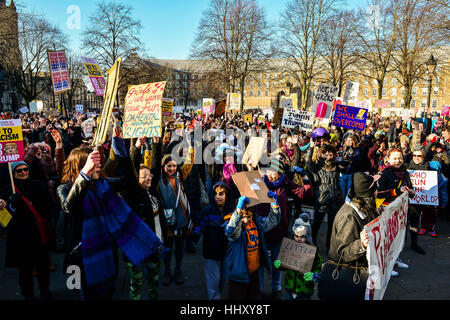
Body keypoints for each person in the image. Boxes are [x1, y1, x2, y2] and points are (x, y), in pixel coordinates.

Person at [57, 132, 164, 300]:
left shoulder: (103, 185)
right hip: (81, 261)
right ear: (81, 166)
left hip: (108, 256)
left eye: (98, 161)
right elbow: (69, 206)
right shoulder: (64, 189)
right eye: (94, 162)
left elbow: (129, 181)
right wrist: (85, 174)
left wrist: (120, 149)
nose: (99, 164)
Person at [0, 161, 54, 300]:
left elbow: (49, 204)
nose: (23, 172)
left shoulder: (37, 185)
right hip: (20, 235)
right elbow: (3, 219)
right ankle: (28, 294)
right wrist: (8, 205)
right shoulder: (7, 190)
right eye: (19, 171)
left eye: (25, 169)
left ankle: (45, 289)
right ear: (13, 174)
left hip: (38, 231)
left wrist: (49, 219)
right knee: (25, 268)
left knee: (42, 264)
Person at [323, 172, 380, 300]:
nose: (377, 194)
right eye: (375, 191)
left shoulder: (362, 208)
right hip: (348, 275)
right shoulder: (348, 216)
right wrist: (362, 244)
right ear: (368, 195)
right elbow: (344, 252)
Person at [224, 192, 280, 300]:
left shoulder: (256, 223)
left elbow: (273, 221)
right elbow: (230, 232)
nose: (246, 216)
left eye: (249, 213)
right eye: (243, 213)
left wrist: (274, 205)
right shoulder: (233, 224)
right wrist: (238, 211)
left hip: (254, 274)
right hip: (238, 276)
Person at [376, 148, 418, 275]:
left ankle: (395, 259)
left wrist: (411, 192)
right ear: (388, 159)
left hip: (402, 210)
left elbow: (411, 189)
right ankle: (387, 264)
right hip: (388, 209)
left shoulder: (404, 171)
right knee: (389, 237)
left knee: (400, 237)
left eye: (400, 158)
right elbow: (378, 194)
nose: (398, 160)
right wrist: (397, 190)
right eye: (394, 158)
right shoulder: (384, 173)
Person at [191, 182, 235, 300]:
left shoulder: (232, 211)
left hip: (227, 253)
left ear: (227, 195)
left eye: (221, 194)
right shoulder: (207, 211)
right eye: (215, 194)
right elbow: (200, 225)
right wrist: (194, 235)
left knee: (223, 280)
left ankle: (218, 295)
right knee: (213, 281)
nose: (218, 197)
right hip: (211, 252)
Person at [272, 213, 322, 300]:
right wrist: (279, 265)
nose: (299, 239)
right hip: (289, 288)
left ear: (307, 237)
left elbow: (319, 267)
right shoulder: (290, 248)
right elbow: (286, 265)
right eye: (296, 236)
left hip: (304, 291)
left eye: (302, 236)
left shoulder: (313, 253)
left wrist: (315, 275)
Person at [306, 140, 344, 252]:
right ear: (322, 154)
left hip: (335, 200)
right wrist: (311, 148)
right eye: (326, 154)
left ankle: (329, 247)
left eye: (330, 154)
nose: (328, 157)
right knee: (316, 225)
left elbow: (348, 165)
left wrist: (345, 156)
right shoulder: (318, 167)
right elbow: (308, 163)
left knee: (332, 227)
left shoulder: (337, 166)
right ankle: (311, 243)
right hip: (322, 200)